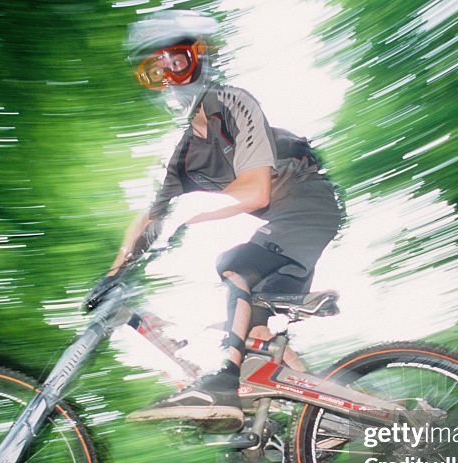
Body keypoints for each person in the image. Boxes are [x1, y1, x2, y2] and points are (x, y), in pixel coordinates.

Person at [102, 9, 343, 428]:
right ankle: (328, 423)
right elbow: (152, 215)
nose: (168, 76)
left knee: (234, 265)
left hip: (307, 201)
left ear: (199, 58)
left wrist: (186, 218)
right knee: (257, 336)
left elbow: (256, 191)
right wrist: (113, 274)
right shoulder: (186, 153)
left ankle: (223, 382)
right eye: (154, 70)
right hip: (286, 221)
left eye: (177, 60)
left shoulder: (232, 103)